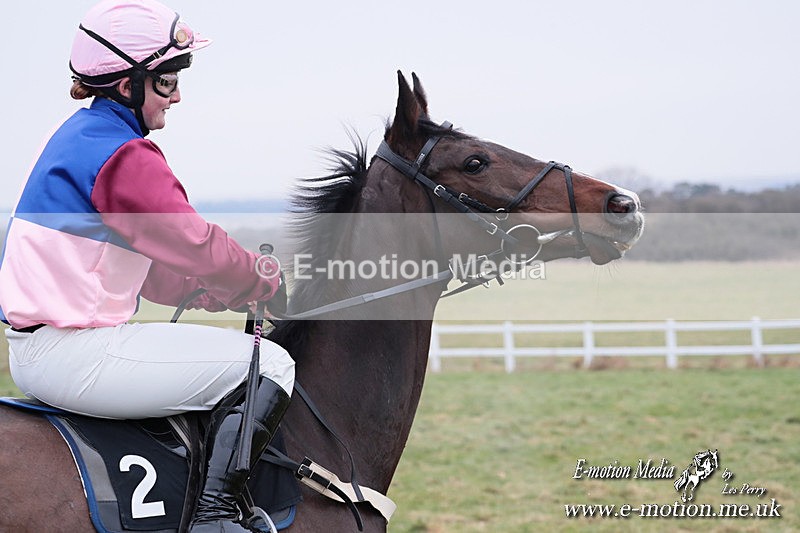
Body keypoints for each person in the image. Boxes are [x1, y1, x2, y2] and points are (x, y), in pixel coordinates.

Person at [0, 1, 294, 531]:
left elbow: (143, 264)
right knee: (270, 364)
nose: (177, 94)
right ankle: (215, 517)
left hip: (42, 351)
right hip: (76, 354)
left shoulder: (80, 138)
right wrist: (257, 278)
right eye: (166, 80)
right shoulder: (122, 154)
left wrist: (208, 292)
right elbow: (195, 242)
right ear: (125, 83)